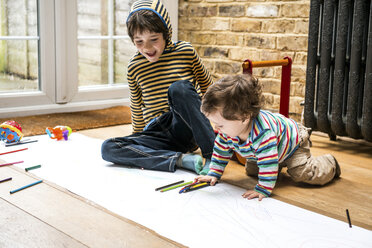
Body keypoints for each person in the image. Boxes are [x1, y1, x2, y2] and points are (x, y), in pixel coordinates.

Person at [101, 0, 215, 174]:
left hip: (185, 126)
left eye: (153, 39)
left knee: (180, 88)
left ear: (166, 33)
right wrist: (138, 137)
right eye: (139, 42)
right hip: (156, 132)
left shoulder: (186, 51)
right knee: (108, 147)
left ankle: (213, 156)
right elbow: (136, 106)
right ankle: (179, 160)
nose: (147, 48)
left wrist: (219, 124)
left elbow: (209, 89)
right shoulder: (134, 67)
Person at [196, 74, 341, 200]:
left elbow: (268, 161)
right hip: (271, 150)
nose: (216, 129)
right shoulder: (226, 133)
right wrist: (213, 173)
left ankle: (330, 163)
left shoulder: (263, 133)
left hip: (293, 144)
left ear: (244, 117)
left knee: (302, 173)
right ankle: (278, 165)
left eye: (220, 125)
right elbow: (221, 152)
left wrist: (263, 188)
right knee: (252, 171)